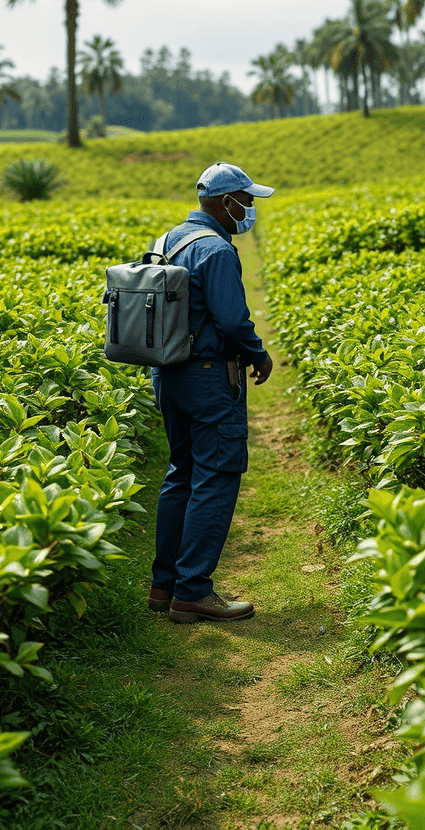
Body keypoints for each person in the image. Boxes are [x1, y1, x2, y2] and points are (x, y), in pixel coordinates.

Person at [148, 162, 274, 623]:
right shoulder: (216, 249)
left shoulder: (166, 240)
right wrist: (258, 353)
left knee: (181, 472)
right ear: (227, 203)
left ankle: (164, 587)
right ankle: (193, 590)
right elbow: (231, 320)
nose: (251, 208)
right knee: (216, 475)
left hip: (168, 374)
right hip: (207, 377)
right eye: (248, 200)